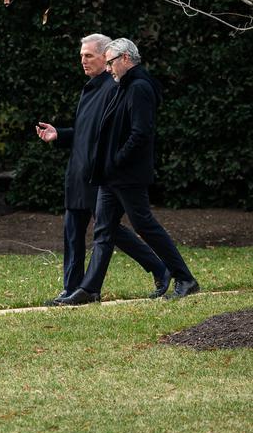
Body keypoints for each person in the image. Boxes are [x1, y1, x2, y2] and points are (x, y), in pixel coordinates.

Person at [58, 38, 199, 305]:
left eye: (111, 62)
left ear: (125, 59)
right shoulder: (125, 86)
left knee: (144, 225)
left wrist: (116, 160)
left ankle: (184, 278)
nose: (108, 68)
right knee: (103, 230)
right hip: (112, 176)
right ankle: (89, 289)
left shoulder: (138, 87)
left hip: (127, 175)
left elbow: (140, 133)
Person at [36, 34, 169, 305]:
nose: (83, 61)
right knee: (74, 230)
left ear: (105, 56)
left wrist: (111, 164)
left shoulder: (114, 88)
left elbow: (114, 135)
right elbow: (85, 133)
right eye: (81, 56)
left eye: (89, 56)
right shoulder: (90, 88)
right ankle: (71, 287)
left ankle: (158, 267)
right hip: (78, 171)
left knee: (108, 231)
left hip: (98, 174)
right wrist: (59, 135)